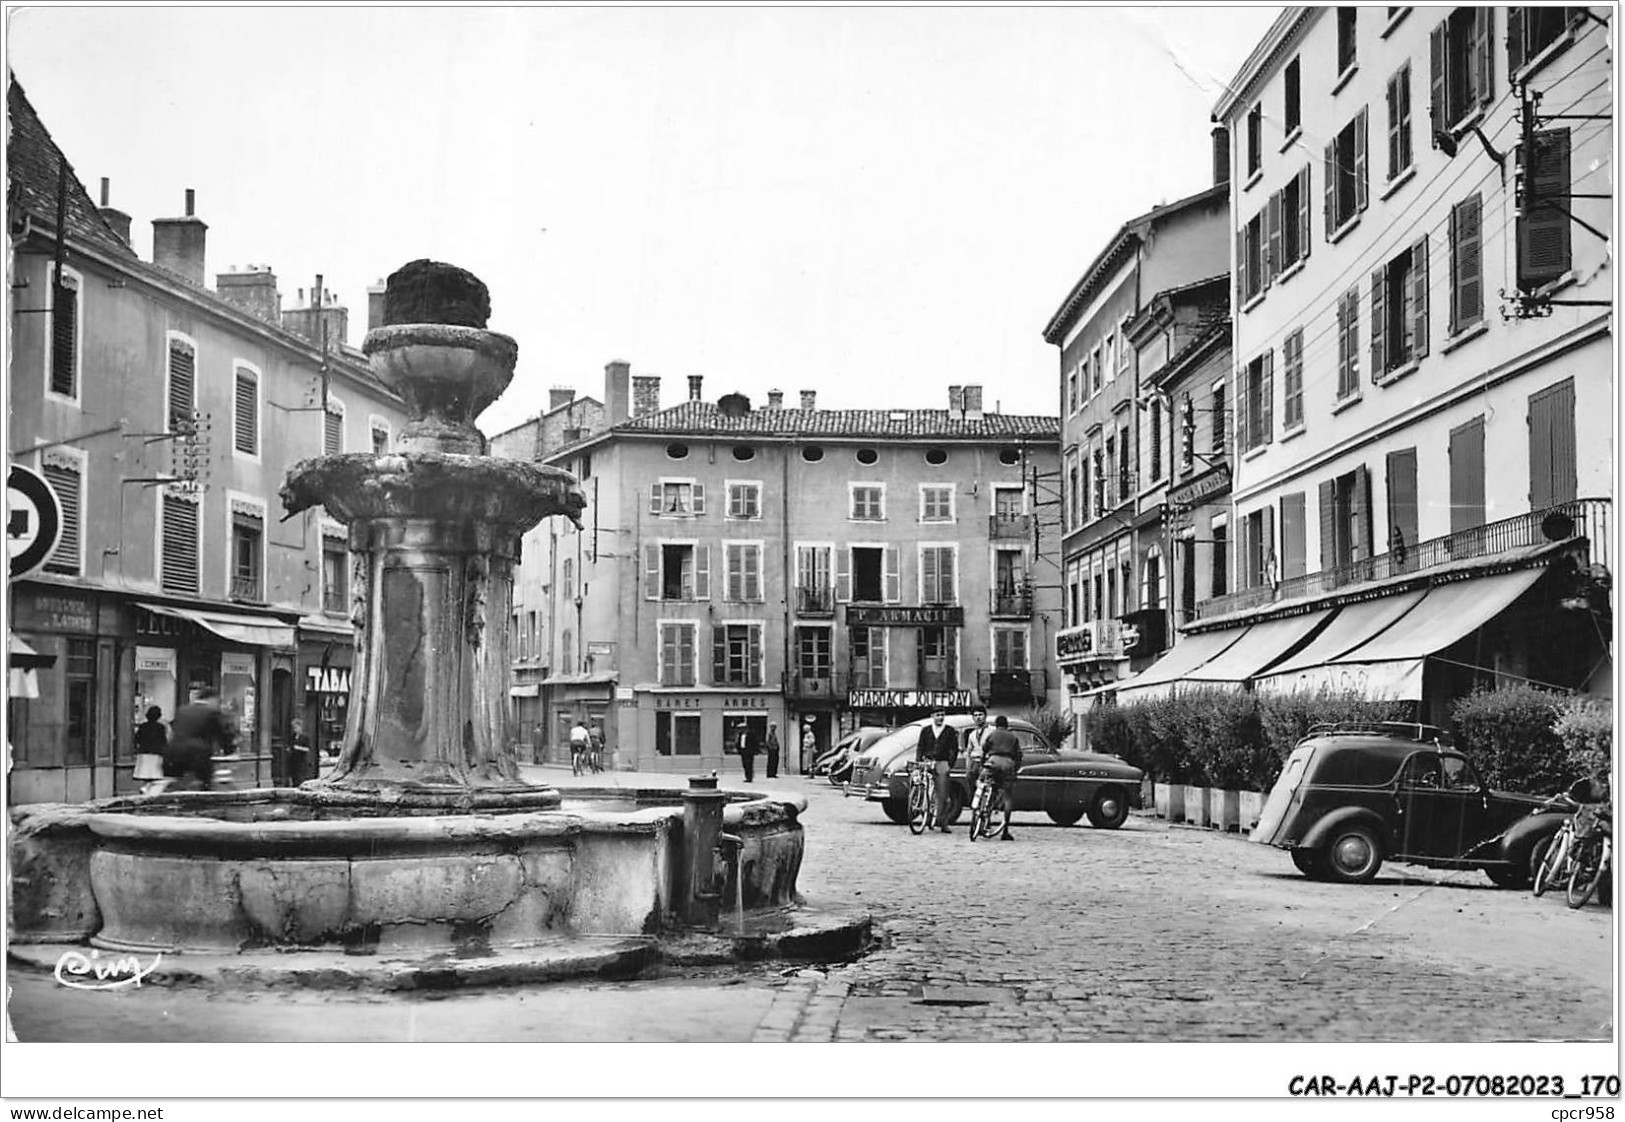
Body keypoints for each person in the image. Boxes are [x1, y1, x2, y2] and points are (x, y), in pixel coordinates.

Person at [164, 687, 234, 791]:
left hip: (172, 753)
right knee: (205, 782)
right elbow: (221, 734)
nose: (217, 705)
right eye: (217, 701)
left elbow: (175, 728)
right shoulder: (211, 713)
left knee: (175, 780)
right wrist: (229, 750)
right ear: (212, 699)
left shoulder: (182, 710)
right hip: (196, 755)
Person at [914, 709, 959, 833]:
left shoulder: (949, 730)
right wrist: (919, 761)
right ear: (932, 716)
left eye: (942, 715)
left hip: (942, 762)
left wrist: (950, 764)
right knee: (922, 787)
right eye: (937, 715)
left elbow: (954, 749)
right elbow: (920, 747)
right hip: (928, 762)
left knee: (943, 793)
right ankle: (925, 814)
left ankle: (943, 822)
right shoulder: (926, 730)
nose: (940, 717)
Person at [979, 715, 1024, 840]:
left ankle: (981, 813)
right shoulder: (1013, 737)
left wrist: (983, 764)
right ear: (1006, 725)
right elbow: (1019, 755)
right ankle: (1005, 830)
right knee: (1007, 796)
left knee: (984, 783)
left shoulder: (992, 735)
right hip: (1007, 763)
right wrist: (1015, 768)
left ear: (996, 724)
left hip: (993, 761)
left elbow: (984, 750)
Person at [132, 706, 168, 784]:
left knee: (145, 775)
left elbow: (137, 739)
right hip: (156, 753)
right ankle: (149, 789)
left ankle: (146, 787)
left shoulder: (143, 726)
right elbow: (163, 741)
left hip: (144, 753)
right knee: (155, 776)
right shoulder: (160, 727)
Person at [962, 707, 991, 776]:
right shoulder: (972, 734)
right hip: (974, 763)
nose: (978, 718)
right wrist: (968, 767)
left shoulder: (991, 731)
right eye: (975, 715)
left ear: (985, 716)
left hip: (987, 762)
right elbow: (969, 751)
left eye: (980, 715)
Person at [288, 718, 313, 786]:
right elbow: (291, 745)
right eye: (293, 728)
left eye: (296, 728)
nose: (295, 730)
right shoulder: (293, 736)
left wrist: (299, 748)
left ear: (300, 727)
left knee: (300, 777)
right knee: (294, 776)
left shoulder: (305, 737)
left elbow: (308, 749)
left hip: (301, 761)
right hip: (293, 760)